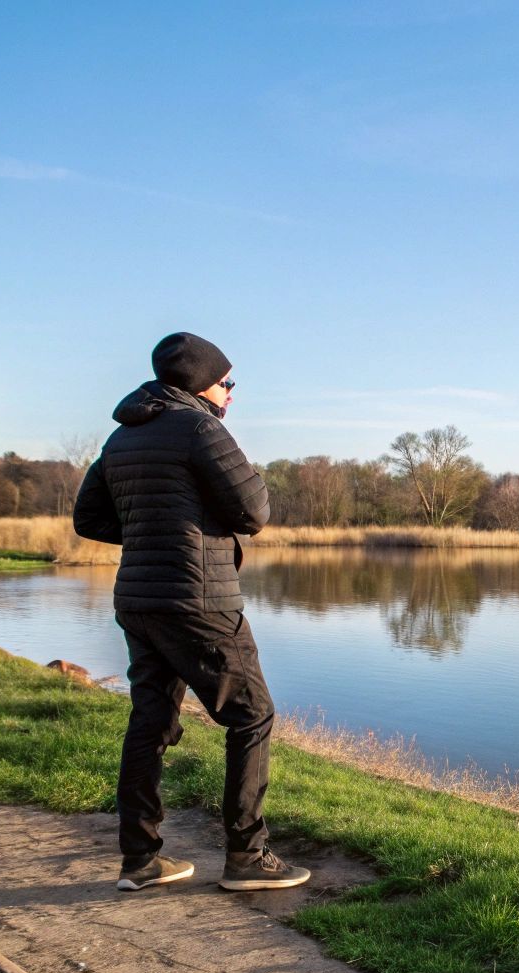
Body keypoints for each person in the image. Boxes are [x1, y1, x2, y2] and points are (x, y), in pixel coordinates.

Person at [73, 331, 310, 893]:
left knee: (150, 721)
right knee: (252, 717)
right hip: (199, 601)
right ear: (203, 383)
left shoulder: (122, 436)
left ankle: (140, 860)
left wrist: (154, 533)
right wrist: (190, 536)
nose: (231, 392)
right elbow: (254, 511)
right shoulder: (201, 429)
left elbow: (89, 519)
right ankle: (247, 857)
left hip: (139, 600)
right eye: (226, 382)